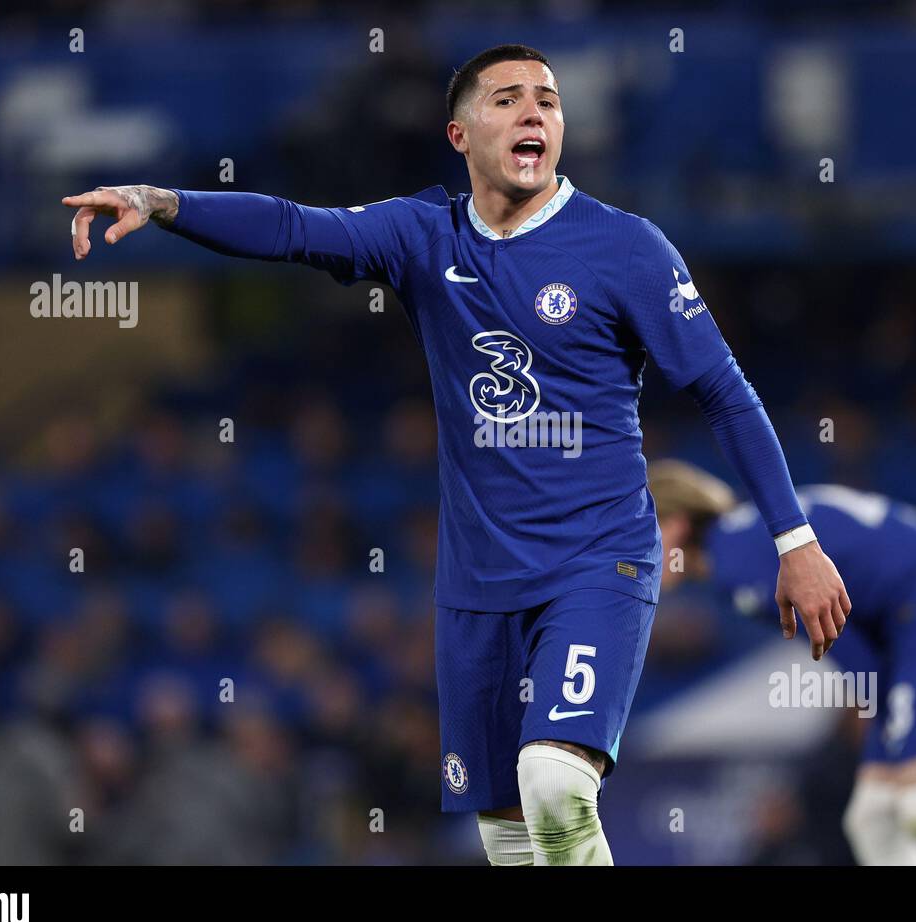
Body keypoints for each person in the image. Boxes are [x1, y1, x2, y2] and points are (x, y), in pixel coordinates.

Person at [60, 45, 850, 866]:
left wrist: (795, 541)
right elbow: (294, 228)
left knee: (554, 780)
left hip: (597, 562)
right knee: (507, 837)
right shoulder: (421, 235)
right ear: (461, 134)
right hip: (475, 587)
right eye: (507, 100)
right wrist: (160, 200)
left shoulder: (626, 249)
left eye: (547, 100)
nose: (534, 112)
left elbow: (724, 391)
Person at [647, 460, 916, 865]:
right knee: (873, 820)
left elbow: (841, 638)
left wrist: (887, 710)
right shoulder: (747, 535)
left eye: (640, 532)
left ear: (674, 523)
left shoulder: (736, 561)